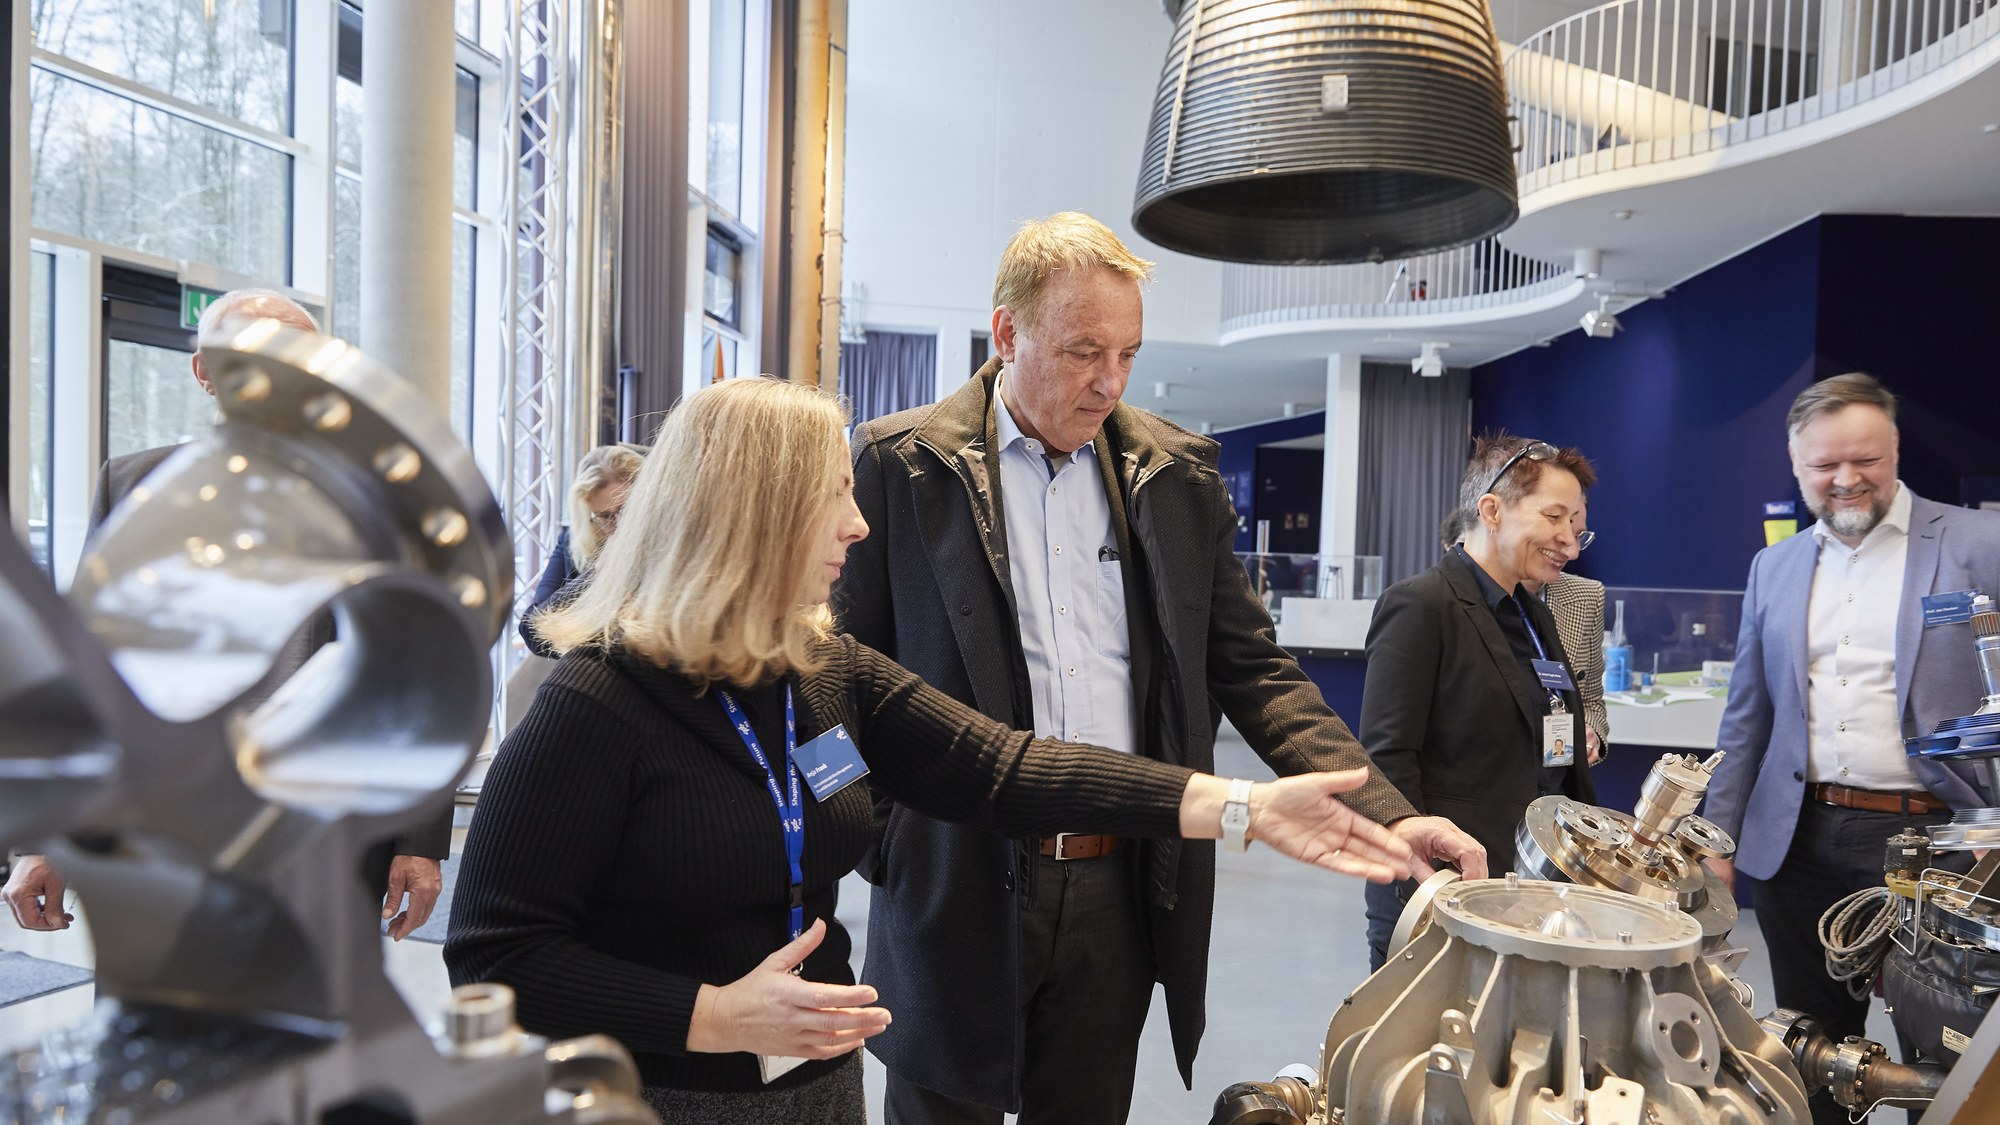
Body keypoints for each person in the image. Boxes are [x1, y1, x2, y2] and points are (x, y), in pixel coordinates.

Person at [442, 375, 1415, 1124]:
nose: (859, 525)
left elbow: (1005, 766)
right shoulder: (594, 704)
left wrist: (1240, 807)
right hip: (653, 1092)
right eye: (833, 500)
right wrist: (711, 1015)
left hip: (815, 1081)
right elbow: (497, 955)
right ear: (754, 516)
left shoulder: (818, 669)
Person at [834, 211, 1484, 1123]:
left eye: (1128, 353)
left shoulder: (1173, 477)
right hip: (957, 877)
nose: (1109, 381)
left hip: (1119, 882)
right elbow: (834, 678)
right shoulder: (901, 468)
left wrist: (1392, 812)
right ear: (1008, 332)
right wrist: (885, 840)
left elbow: (1257, 671)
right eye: (1083, 350)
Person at [1, 288, 447, 941]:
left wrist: (420, 835)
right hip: (163, 834)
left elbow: (424, 666)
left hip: (333, 829)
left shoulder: (388, 499)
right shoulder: (130, 486)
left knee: (322, 1030)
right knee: (163, 1029)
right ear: (204, 371)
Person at [1703, 373, 2000, 1124]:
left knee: (1939, 1058)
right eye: (1822, 465)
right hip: (1798, 842)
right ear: (1797, 466)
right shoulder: (1774, 565)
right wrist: (1716, 835)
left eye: (1864, 458)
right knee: (1811, 1051)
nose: (1845, 478)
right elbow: (1749, 715)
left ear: (1895, 448)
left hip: (1939, 843)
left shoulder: (1977, 544)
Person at [1360, 434, 1600, 968]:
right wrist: (1421, 876)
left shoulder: (1533, 614)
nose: (1570, 542)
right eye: (1555, 518)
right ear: (1491, 510)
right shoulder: (1421, 605)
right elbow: (1387, 757)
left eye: (1577, 526)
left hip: (1534, 884)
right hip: (1449, 887)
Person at [1441, 506, 1609, 764]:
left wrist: (1590, 735)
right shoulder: (1440, 603)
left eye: (1578, 536)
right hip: (1482, 779)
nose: (1570, 549)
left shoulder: (1586, 597)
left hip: (1556, 779)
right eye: (1554, 520)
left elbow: (1591, 699)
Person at [519, 441, 648, 657]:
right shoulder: (572, 542)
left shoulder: (670, 546)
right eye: (605, 516)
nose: (619, 524)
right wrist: (597, 574)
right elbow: (532, 630)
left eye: (626, 510)